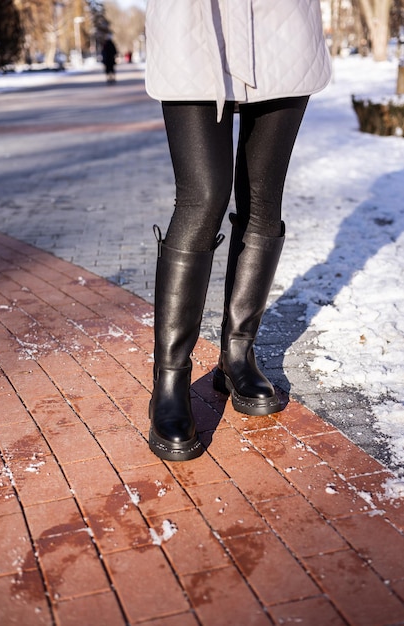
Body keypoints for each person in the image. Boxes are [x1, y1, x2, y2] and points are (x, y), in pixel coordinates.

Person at [145, 0, 332, 462]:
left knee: (263, 198)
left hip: (282, 27)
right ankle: (169, 379)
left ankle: (237, 356)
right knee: (202, 196)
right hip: (193, 26)